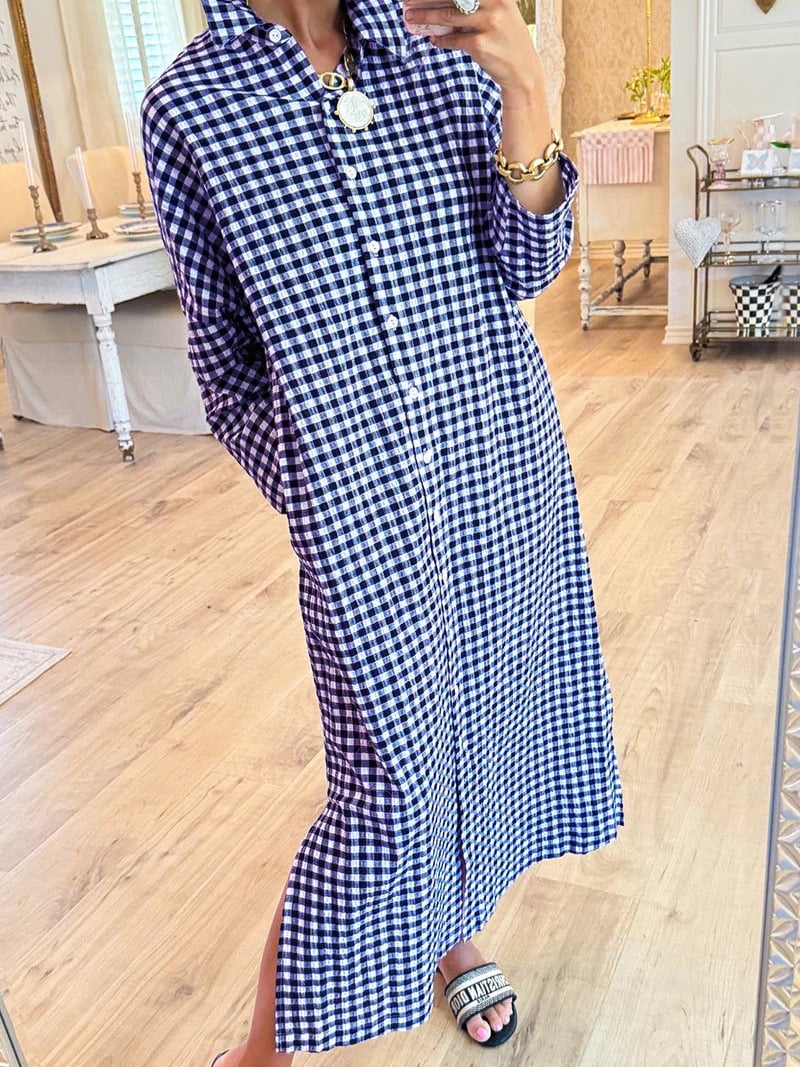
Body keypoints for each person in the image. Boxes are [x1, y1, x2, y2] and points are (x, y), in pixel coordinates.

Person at [141, 0, 625, 1062]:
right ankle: (264, 1050)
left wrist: (526, 89)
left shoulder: (441, 50)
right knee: (383, 788)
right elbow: (224, 367)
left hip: (502, 471)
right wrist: (321, 484)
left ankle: (454, 933)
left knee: (489, 722)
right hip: (356, 514)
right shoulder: (190, 106)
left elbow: (529, 262)